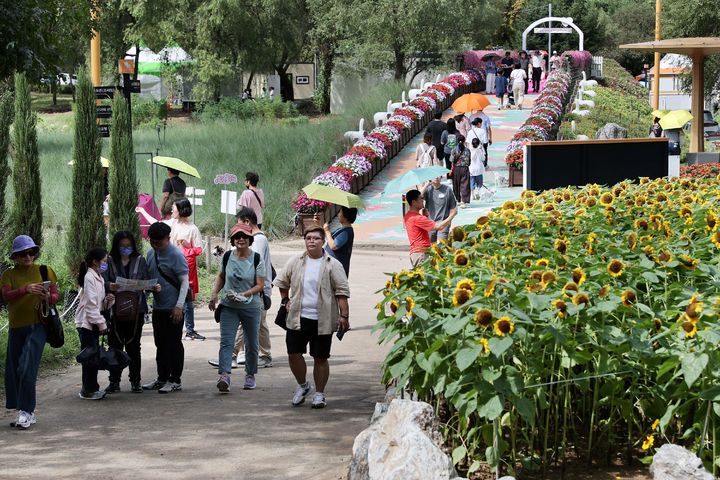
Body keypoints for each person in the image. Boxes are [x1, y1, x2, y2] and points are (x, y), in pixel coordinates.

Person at [274, 224, 350, 409]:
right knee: (293, 354)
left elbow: (341, 292)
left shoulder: (333, 264)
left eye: (316, 238)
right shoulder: (295, 261)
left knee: (320, 358)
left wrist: (344, 316)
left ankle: (319, 393)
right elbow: (282, 282)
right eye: (308, 238)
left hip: (322, 319)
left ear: (323, 242)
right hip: (297, 317)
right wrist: (285, 301)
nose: (311, 241)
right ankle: (302, 385)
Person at [2, 235, 60, 428]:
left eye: (31, 252)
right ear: (15, 256)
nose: (28, 256)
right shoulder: (8, 275)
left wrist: (47, 295)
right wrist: (25, 289)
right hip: (16, 327)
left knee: (27, 366)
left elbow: (55, 295)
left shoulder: (45, 270)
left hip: (39, 325)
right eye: (23, 253)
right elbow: (6, 296)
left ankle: (26, 411)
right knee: (14, 371)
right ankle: (22, 409)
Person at [137, 198, 204, 340]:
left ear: (181, 210)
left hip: (186, 266)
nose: (172, 210)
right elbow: (156, 223)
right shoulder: (171, 224)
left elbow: (199, 249)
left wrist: (185, 247)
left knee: (187, 298)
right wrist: (143, 211)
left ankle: (190, 328)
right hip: (166, 265)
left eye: (174, 208)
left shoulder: (192, 229)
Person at [209, 223, 265, 393]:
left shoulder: (256, 258)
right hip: (229, 306)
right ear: (233, 240)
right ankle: (224, 375)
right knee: (226, 342)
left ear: (250, 239)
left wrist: (245, 294)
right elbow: (221, 276)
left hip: (251, 307)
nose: (241, 239)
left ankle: (250, 375)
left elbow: (260, 285)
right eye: (237, 237)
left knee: (252, 343)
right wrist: (214, 294)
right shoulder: (227, 257)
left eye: (244, 236)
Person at [104, 231, 155, 394]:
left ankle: (135, 380)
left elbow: (146, 282)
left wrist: (146, 287)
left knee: (134, 346)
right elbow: (102, 281)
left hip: (136, 309)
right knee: (115, 346)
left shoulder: (140, 260)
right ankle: (114, 381)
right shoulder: (109, 261)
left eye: (128, 246)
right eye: (122, 246)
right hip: (114, 310)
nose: (125, 249)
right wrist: (109, 286)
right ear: (116, 246)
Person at [143, 222, 190, 394]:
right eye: (152, 242)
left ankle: (175, 379)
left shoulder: (176, 255)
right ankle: (161, 377)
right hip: (158, 308)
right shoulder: (150, 254)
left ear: (168, 239)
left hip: (173, 308)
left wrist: (179, 306)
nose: (155, 245)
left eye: (159, 242)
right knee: (160, 343)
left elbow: (184, 282)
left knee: (174, 344)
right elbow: (149, 279)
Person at [75, 248, 114, 400]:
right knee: (89, 357)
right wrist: (102, 324)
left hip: (93, 322)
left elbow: (99, 304)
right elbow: (91, 306)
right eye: (104, 261)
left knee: (93, 357)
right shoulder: (89, 277)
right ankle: (88, 390)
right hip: (86, 323)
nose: (105, 264)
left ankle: (92, 388)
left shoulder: (99, 276)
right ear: (95, 262)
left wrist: (108, 301)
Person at [404, 190, 456, 267]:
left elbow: (419, 229)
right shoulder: (418, 218)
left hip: (416, 253)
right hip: (421, 254)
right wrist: (452, 215)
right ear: (414, 202)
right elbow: (439, 227)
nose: (423, 200)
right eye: (420, 198)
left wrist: (425, 216)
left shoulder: (408, 215)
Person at [323, 206, 356, 277]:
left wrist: (327, 231)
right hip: (332, 266)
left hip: (336, 269)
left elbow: (333, 246)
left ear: (345, 216)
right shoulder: (342, 229)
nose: (338, 214)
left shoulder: (346, 232)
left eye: (340, 212)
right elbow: (328, 239)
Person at [422, 177, 458, 243]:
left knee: (441, 245)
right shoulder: (428, 190)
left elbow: (454, 209)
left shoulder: (447, 189)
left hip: (443, 223)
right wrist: (426, 185)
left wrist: (448, 221)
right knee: (430, 246)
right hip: (430, 223)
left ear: (441, 177)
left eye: (438, 175)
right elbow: (418, 198)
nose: (436, 177)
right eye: (434, 176)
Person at [450, 135, 471, 206]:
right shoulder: (467, 150)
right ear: (464, 141)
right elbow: (469, 162)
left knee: (456, 185)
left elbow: (451, 160)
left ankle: (458, 200)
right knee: (465, 185)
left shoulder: (454, 149)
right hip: (465, 168)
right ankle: (463, 201)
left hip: (456, 169)